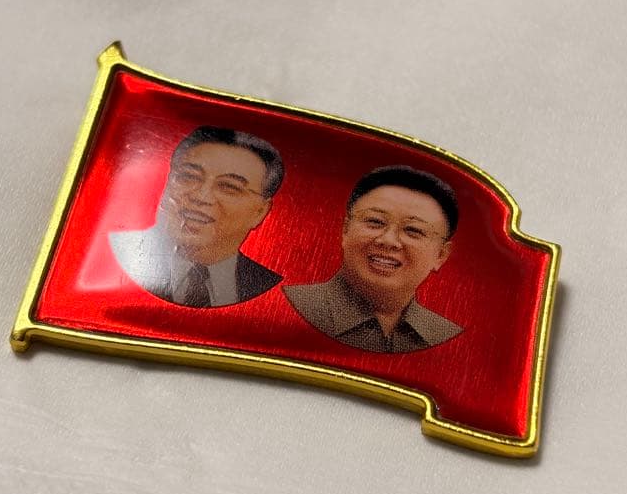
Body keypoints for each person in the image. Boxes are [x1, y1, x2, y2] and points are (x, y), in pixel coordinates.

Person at [283, 165, 462, 353]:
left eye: (413, 230)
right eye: (375, 222)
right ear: (345, 230)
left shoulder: (447, 339)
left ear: (440, 255)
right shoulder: (289, 307)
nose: (388, 241)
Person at [109, 126, 284, 307]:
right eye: (189, 177)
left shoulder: (270, 288)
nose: (201, 197)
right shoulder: (113, 254)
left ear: (259, 212)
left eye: (229, 187)